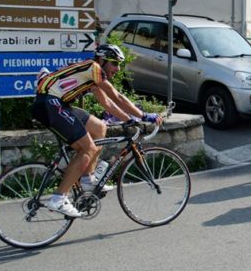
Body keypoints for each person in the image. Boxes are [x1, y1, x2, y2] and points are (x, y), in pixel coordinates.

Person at [32, 44, 163, 217]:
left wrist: (130, 119)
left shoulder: (91, 75)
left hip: (56, 104)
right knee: (88, 148)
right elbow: (117, 97)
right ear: (101, 60)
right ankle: (58, 198)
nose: (117, 69)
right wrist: (144, 115)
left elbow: (107, 103)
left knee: (100, 127)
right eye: (114, 63)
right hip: (50, 104)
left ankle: (87, 179)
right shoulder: (93, 68)